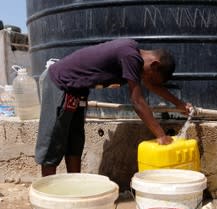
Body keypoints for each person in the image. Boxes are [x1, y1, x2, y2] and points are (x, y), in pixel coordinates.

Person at [35, 38, 190, 177]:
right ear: (155, 65)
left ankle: (75, 186)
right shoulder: (130, 55)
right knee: (53, 141)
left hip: (78, 90)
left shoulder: (134, 55)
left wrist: (179, 104)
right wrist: (161, 135)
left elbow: (151, 85)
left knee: (74, 141)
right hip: (60, 83)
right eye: (151, 77)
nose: (148, 80)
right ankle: (48, 193)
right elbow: (137, 102)